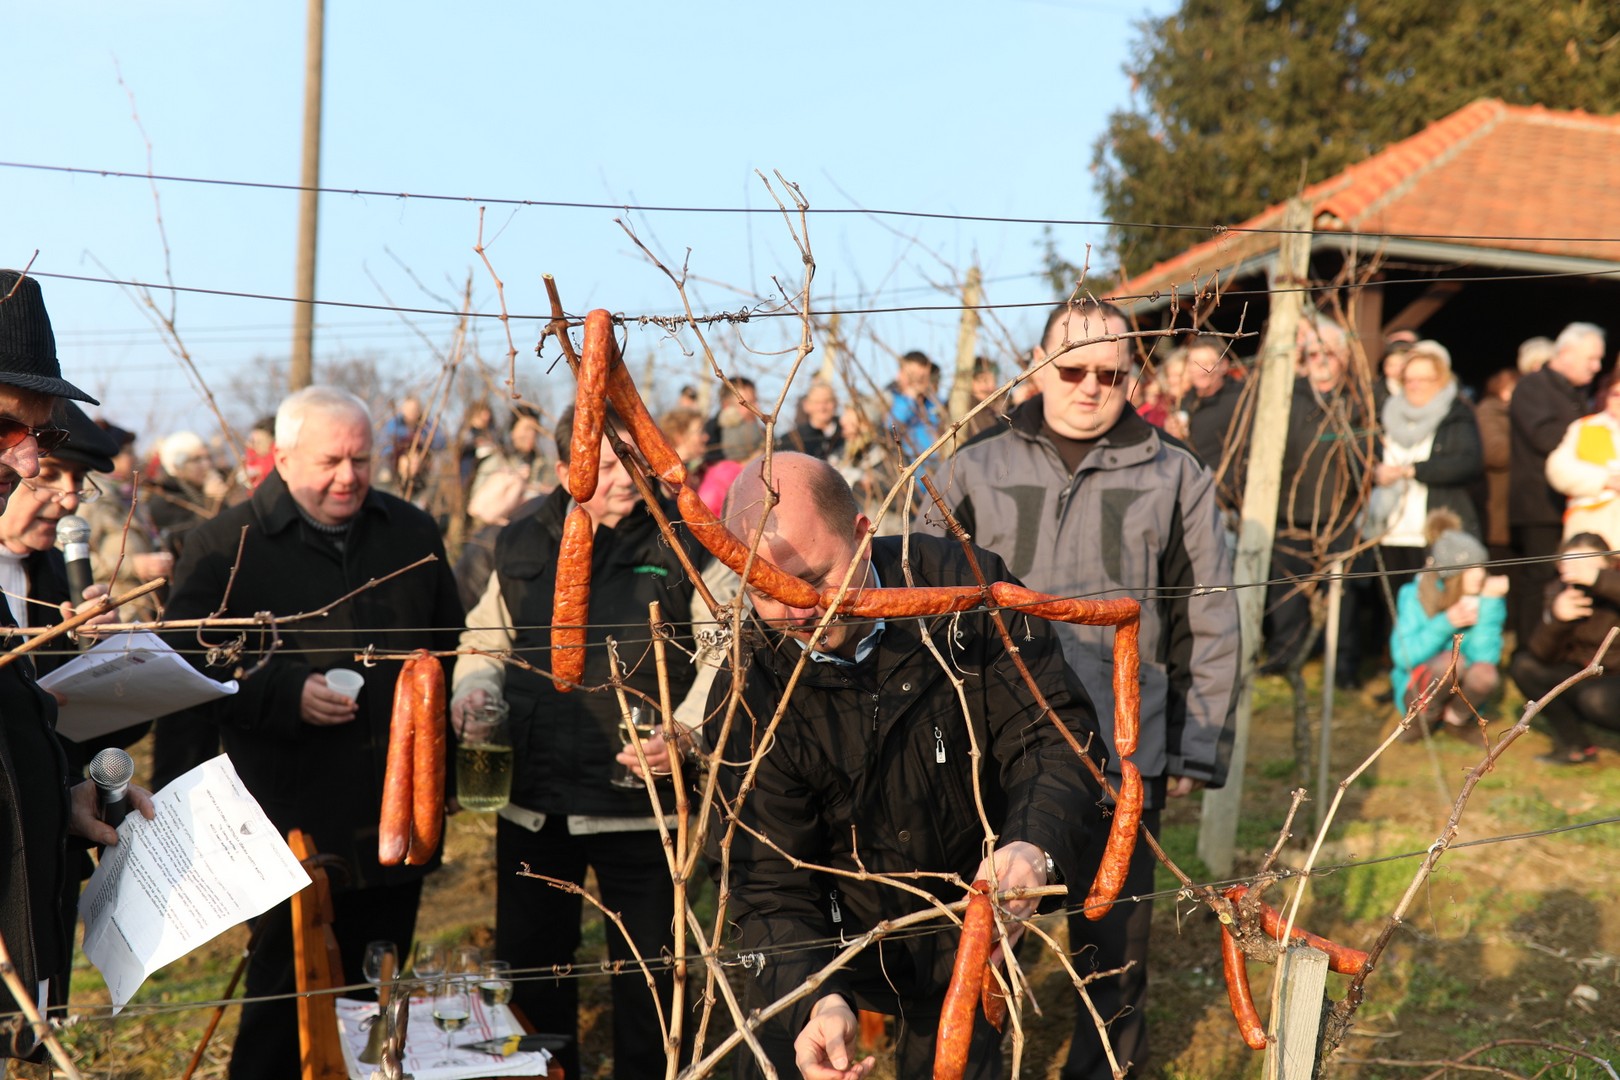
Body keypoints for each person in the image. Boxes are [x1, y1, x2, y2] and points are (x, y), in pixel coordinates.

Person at [705, 452, 1106, 1080]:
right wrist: (815, 996)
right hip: (830, 938)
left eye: (817, 579)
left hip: (975, 919)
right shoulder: (746, 693)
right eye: (767, 592)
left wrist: (1034, 848)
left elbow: (1053, 735)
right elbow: (765, 882)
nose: (801, 610)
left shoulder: (964, 588)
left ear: (865, 535)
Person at [942, 299, 1239, 1079]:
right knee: (974, 935)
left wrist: (1196, 743)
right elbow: (925, 606)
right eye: (1071, 369)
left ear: (1132, 378)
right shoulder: (971, 466)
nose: (1089, 387)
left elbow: (1209, 616)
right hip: (991, 744)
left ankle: (1105, 1068)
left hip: (1124, 748)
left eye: (1110, 374)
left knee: (1114, 951)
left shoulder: (1176, 472)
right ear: (1037, 366)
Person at [158, 385, 463, 1080]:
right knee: (280, 1009)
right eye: (331, 461)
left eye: (362, 459)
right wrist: (283, 691)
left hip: (392, 812)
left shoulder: (412, 534)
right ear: (283, 459)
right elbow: (185, 667)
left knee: (375, 999)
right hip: (280, 817)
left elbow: (447, 648)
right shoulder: (225, 545)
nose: (348, 477)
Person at [449, 405, 707, 1079]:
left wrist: (687, 730)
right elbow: (483, 639)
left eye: (635, 458)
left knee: (652, 988)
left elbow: (724, 651)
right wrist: (473, 692)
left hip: (644, 807)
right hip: (535, 805)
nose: (627, 477)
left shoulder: (687, 540)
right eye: (607, 462)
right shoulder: (523, 539)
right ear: (567, 470)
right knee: (534, 989)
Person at [0, 269, 154, 1061]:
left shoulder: (43, 584)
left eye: (45, 440)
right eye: (6, 429)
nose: (30, 468)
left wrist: (75, 787)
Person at [1263, 317, 1374, 677]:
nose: (1322, 362)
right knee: (1287, 594)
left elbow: (1369, 453)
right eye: (1313, 354)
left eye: (1329, 353)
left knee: (1344, 595)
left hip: (1339, 514)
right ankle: (1284, 658)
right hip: (1291, 514)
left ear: (1344, 356)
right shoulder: (1287, 397)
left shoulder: (1359, 400)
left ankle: (1343, 667)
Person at [1509, 322, 1605, 646]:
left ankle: (1562, 652)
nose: (1597, 366)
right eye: (1591, 358)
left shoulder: (1575, 393)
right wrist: (1598, 459)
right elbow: (1545, 437)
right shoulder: (1533, 387)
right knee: (1539, 579)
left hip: (1572, 503)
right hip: (1540, 505)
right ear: (1566, 353)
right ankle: (1529, 653)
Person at [1364, 340, 1484, 593]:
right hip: (1388, 532)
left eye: (1424, 379)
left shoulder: (1456, 415)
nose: (1415, 386)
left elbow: (1467, 463)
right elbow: (1366, 458)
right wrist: (1375, 472)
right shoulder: (1386, 413)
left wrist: (1414, 470)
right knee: (1391, 615)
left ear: (1439, 380)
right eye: (1409, 380)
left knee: (1434, 607)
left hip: (1433, 531)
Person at [1388, 510, 1507, 740]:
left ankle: (1457, 719)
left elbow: (1486, 658)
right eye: (1471, 568)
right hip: (1418, 684)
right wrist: (1445, 623)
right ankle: (1423, 719)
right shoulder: (1415, 596)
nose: (1480, 574)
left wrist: (1490, 605)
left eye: (1481, 566)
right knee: (1451, 662)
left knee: (1485, 674)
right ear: (1451, 574)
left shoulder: (1484, 597)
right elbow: (1402, 657)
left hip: (1462, 682)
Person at [1509, 532, 1620, 765]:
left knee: (1596, 699)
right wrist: (1557, 618)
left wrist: (1600, 580)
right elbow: (1542, 654)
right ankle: (1575, 746)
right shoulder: (1559, 590)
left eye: (1586, 564)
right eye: (1570, 564)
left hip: (1613, 680)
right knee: (1524, 666)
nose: (1578, 573)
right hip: (1586, 674)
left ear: (1609, 563)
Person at [83, 421, 172, 624]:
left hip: (140, 607)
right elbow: (74, 559)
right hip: (111, 611)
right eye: (129, 453)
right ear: (110, 456)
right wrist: (133, 565)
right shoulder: (91, 498)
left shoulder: (129, 496)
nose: (135, 459)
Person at [1545, 372, 1620, 547]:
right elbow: (1558, 469)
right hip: (1592, 522)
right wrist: (1606, 480)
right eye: (1615, 394)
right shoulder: (1584, 428)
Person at [886, 349, 943, 459]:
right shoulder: (888, 399)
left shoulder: (935, 403)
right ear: (899, 374)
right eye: (911, 376)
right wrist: (909, 399)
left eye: (921, 377)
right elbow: (890, 429)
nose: (916, 382)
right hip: (908, 465)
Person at [775, 381, 844, 460]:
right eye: (817, 402)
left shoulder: (846, 435)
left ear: (836, 403)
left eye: (827, 401)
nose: (822, 408)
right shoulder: (791, 440)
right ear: (806, 405)